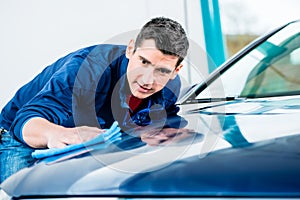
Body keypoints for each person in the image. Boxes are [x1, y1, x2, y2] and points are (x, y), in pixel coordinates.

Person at [0, 17, 190, 183]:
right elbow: (26, 119)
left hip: (92, 140)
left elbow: (162, 118)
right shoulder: (87, 72)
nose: (147, 80)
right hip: (21, 137)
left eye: (162, 71)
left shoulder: (171, 88)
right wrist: (55, 134)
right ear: (130, 49)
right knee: (20, 192)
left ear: (176, 71)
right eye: (144, 62)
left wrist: (152, 132)